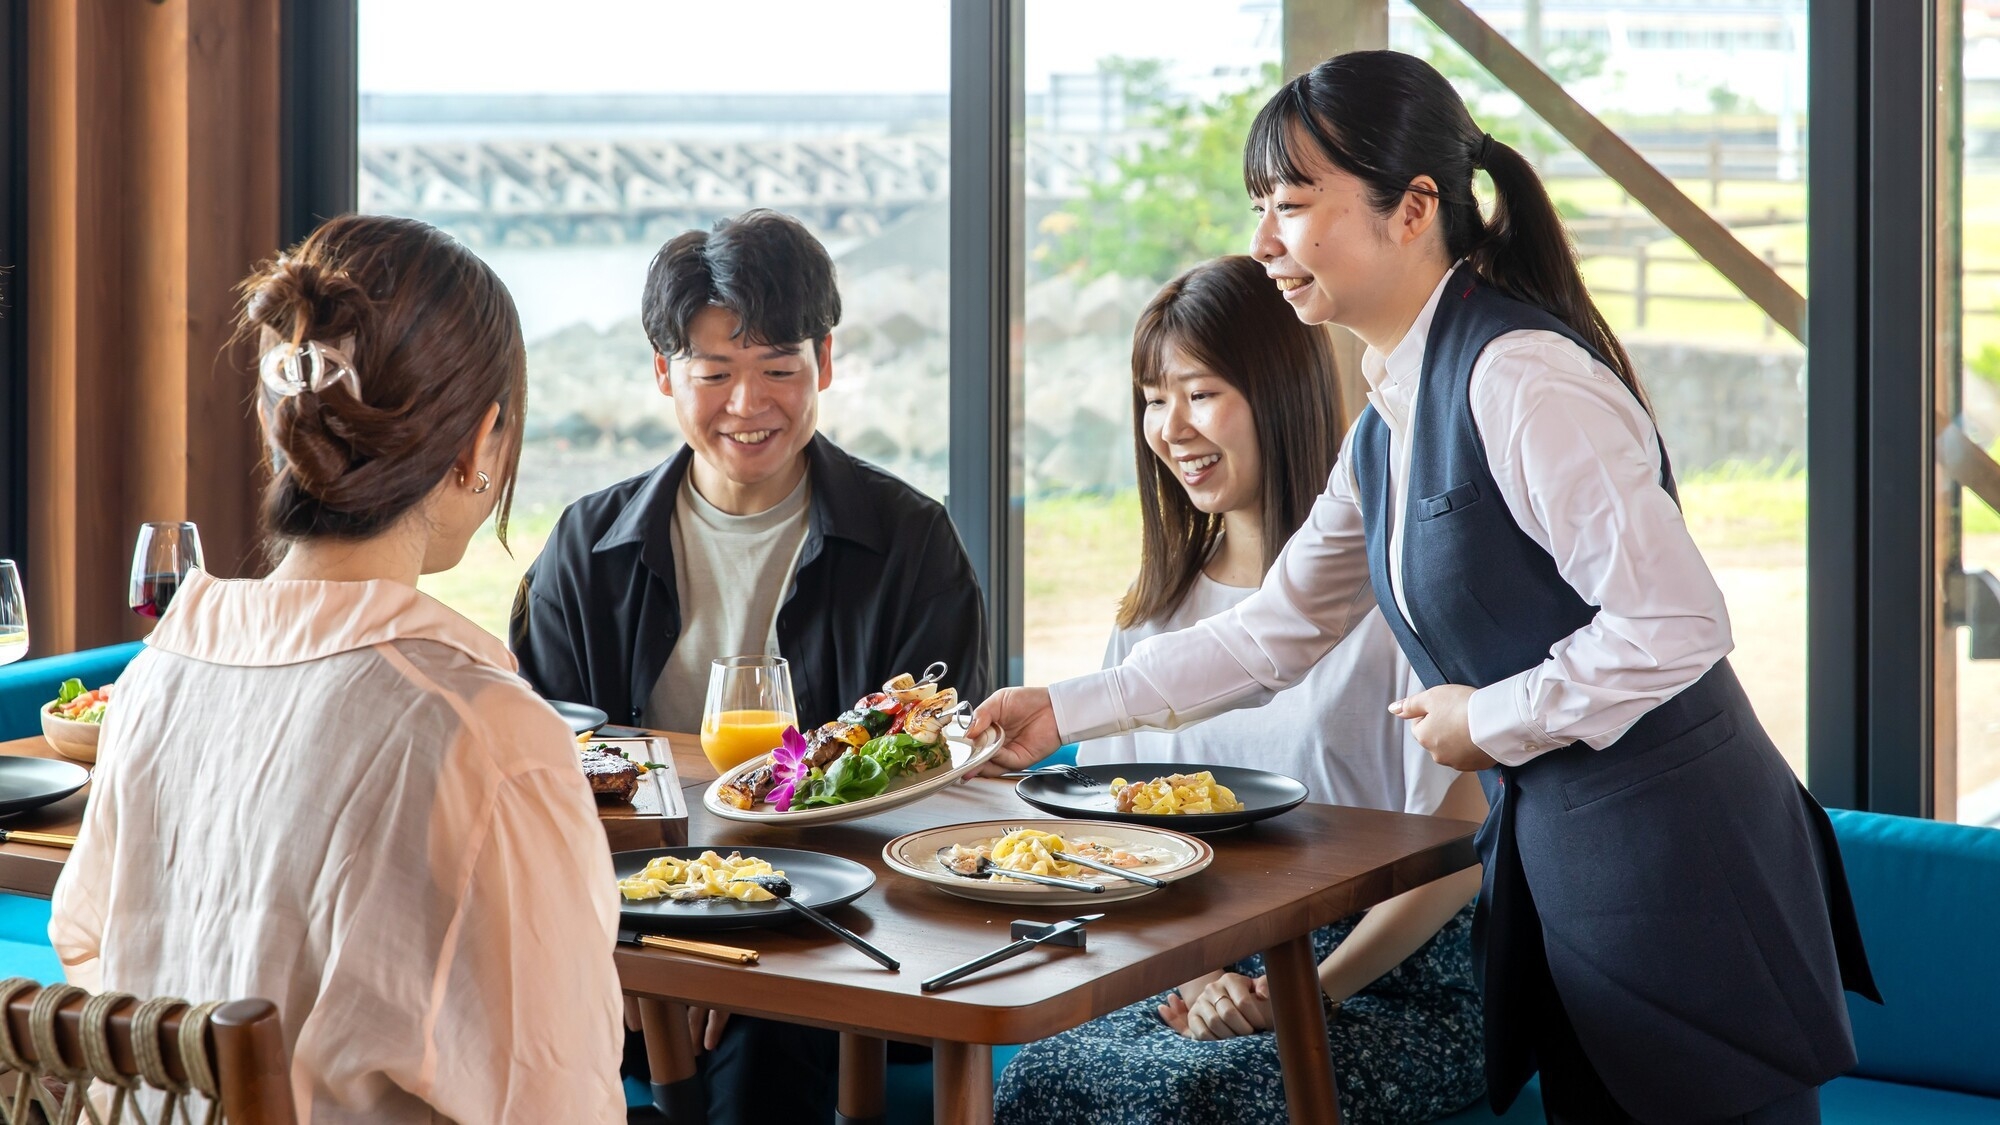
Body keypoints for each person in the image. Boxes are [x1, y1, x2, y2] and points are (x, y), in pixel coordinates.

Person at [973, 51, 1876, 1125]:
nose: (1264, 240)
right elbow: (1274, 632)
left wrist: (1486, 716)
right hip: (1575, 882)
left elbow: (1676, 621)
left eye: (1293, 204)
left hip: (1681, 877)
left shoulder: (1521, 380)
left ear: (1411, 209)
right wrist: (1062, 710)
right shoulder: (1389, 417)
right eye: (1259, 206)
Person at [49, 214, 624, 1122]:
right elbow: (555, 1095)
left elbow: (88, 961)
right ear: (480, 445)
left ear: (285, 425)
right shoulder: (489, 735)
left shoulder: (157, 678)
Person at [510, 208, 986, 1125]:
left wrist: (756, 926)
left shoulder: (910, 541)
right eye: (716, 371)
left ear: (826, 365)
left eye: (779, 369)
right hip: (629, 927)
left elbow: (928, 777)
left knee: (769, 1035)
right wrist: (682, 930)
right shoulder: (589, 546)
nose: (748, 403)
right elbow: (552, 778)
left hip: (847, 930)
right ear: (663, 373)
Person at [994, 255, 1486, 1125]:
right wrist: (1199, 975)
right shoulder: (1153, 613)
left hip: (1385, 981)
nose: (1171, 426)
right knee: (1037, 1074)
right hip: (1190, 971)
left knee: (1197, 1097)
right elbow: (1111, 848)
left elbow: (1454, 862)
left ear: (1281, 390)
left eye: (1202, 392)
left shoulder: (1399, 592)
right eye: (1153, 398)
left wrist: (1294, 991)